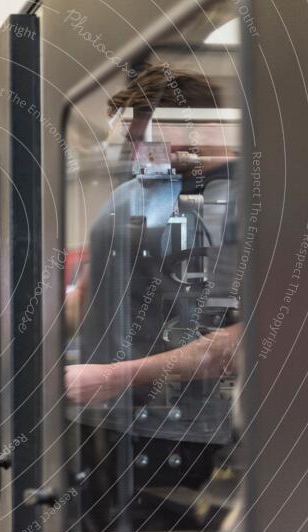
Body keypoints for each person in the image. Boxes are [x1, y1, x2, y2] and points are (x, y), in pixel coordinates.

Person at [64, 64, 240, 404]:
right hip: (103, 419)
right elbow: (87, 296)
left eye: (150, 141)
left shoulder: (245, 202)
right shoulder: (133, 194)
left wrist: (116, 377)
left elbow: (244, 340)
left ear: (202, 129)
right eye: (134, 143)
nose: (140, 155)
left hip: (187, 431)